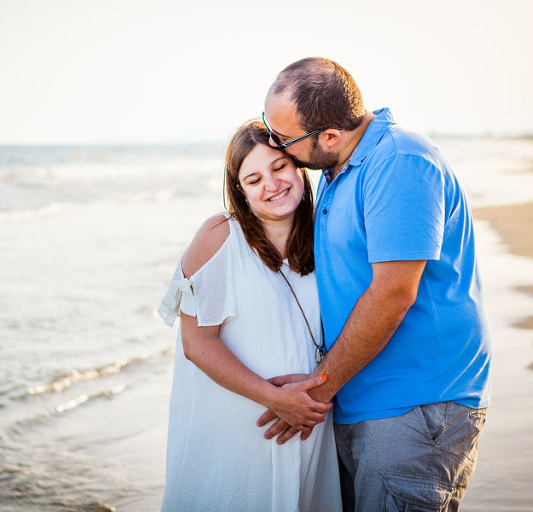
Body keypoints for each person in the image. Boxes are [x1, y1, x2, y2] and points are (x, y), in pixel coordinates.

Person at [256, 57, 492, 512]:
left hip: (417, 404)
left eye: (284, 138)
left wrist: (317, 390)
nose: (273, 142)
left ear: (329, 136)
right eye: (269, 125)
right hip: (361, 396)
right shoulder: (340, 168)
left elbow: (392, 294)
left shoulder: (399, 163)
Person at [157, 120, 342, 511]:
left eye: (278, 168)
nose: (272, 185)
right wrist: (275, 398)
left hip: (307, 421)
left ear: (298, 168)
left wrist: (312, 392)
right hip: (241, 426)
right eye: (253, 179)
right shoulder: (221, 235)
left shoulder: (322, 234)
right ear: (239, 191)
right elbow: (197, 343)